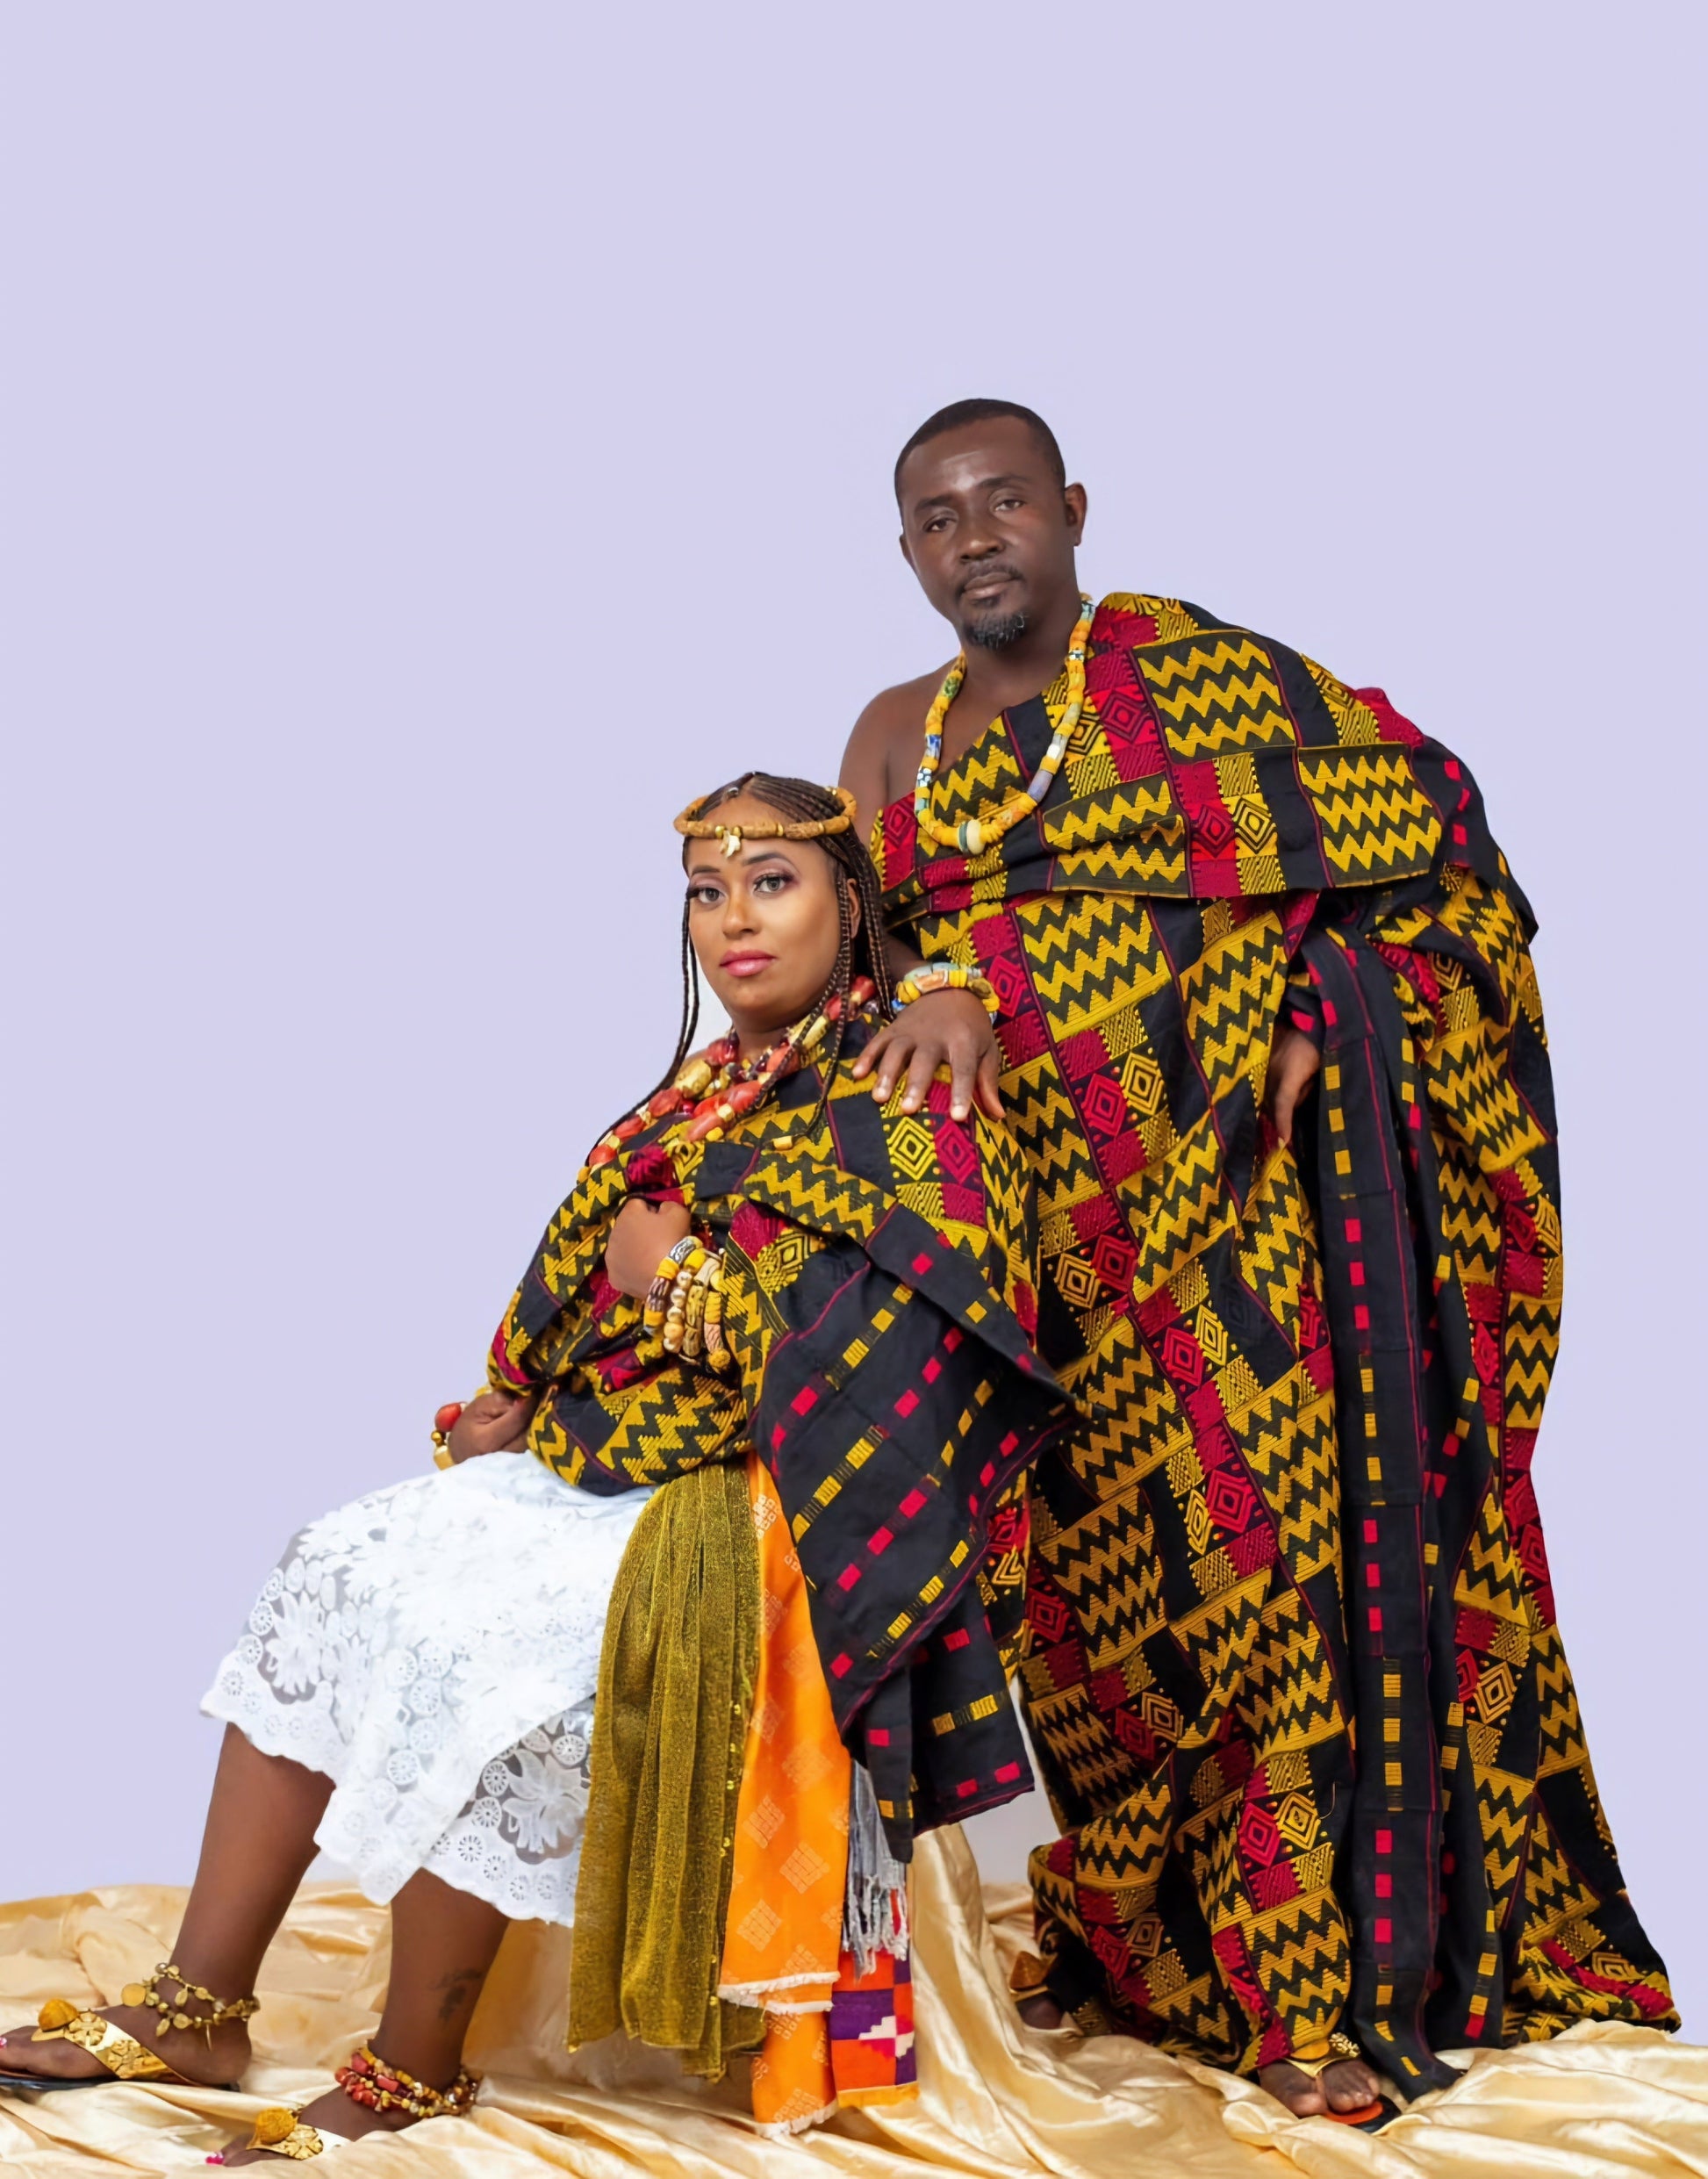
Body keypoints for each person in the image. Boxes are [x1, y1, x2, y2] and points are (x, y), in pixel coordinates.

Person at [0, 772, 1062, 2162]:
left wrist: (671, 1273)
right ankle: (198, 2005)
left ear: (847, 905)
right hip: (607, 1454)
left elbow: (895, 1372)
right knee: (332, 1562)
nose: (734, 919)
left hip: (777, 1501)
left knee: (485, 1649)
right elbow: (571, 1275)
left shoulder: (903, 1085)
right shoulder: (699, 1088)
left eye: (771, 883)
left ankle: (412, 2065)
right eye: (706, 891)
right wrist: (514, 1390)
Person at [839, 398, 1676, 2126]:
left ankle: (1305, 2000)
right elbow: (855, 954)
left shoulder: (1205, 686)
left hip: (1222, 1235)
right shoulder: (888, 736)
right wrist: (930, 983)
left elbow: (1436, 837)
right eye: (936, 515)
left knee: (1269, 1590)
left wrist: (1318, 1008)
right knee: (1091, 1643)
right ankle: (1165, 1954)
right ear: (905, 549)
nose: (974, 535)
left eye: (1004, 499)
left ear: (1072, 508)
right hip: (1028, 1268)